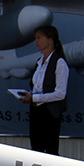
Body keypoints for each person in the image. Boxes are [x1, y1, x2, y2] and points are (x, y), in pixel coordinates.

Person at [19, 24, 68, 156]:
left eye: (39, 38)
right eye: (35, 38)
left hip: (50, 113)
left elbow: (60, 94)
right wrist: (29, 97)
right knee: (36, 149)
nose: (36, 41)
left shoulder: (59, 63)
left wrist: (35, 98)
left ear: (50, 39)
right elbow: (36, 87)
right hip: (36, 111)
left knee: (50, 151)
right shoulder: (39, 62)